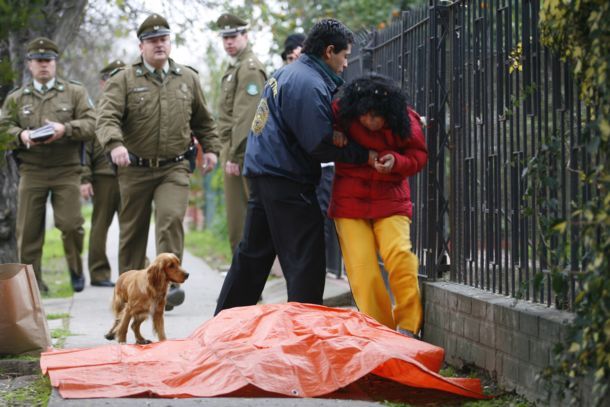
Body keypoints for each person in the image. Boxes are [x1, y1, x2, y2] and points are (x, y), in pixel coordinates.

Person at [214, 18, 377, 315]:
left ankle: (223, 323)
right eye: (344, 55)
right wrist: (363, 155)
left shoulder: (288, 73)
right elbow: (318, 142)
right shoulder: (309, 83)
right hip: (287, 178)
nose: (345, 63)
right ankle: (305, 331)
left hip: (265, 172)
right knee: (306, 258)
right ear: (329, 51)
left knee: (253, 256)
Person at [96, 14, 221, 309]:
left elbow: (204, 119)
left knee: (170, 219)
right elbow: (106, 117)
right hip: (135, 168)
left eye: (163, 39)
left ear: (170, 42)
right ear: (141, 46)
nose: (159, 45)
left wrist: (212, 148)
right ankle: (130, 291)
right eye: (153, 41)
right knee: (133, 233)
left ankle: (167, 286)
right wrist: (114, 144)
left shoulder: (187, 78)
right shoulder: (123, 79)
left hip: (174, 167)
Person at [329, 74, 428, 337]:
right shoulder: (342, 111)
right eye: (365, 116)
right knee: (363, 271)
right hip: (349, 202)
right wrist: (334, 130)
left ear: (389, 113)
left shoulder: (405, 121)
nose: (370, 122)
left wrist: (397, 161)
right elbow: (322, 125)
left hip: (391, 199)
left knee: (399, 256)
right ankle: (380, 332)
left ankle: (408, 326)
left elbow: (418, 155)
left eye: (377, 117)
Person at [0, 37, 96, 293]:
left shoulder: (75, 92)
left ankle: (76, 270)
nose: (44, 66)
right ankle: (33, 286)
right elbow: (3, 128)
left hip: (66, 169)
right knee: (28, 232)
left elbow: (92, 124)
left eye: (48, 61)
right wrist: (20, 135)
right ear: (30, 65)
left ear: (55, 64)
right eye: (38, 61)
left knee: (71, 225)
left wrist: (65, 129)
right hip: (32, 171)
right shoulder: (17, 98)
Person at [281, 31, 342, 276]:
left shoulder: (324, 78)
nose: (294, 59)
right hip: (295, 166)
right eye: (289, 56)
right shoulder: (289, 80)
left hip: (323, 164)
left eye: (297, 54)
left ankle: (324, 267)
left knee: (320, 216)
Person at [216, 13, 267, 253]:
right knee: (238, 219)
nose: (229, 42)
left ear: (245, 36)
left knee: (244, 218)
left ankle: (246, 282)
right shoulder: (235, 67)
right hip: (235, 149)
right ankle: (244, 281)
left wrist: (235, 156)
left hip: (243, 151)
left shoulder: (249, 68)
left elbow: (247, 117)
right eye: (225, 37)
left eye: (233, 36)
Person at [79, 59, 126, 288]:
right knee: (100, 224)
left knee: (133, 225)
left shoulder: (131, 104)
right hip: (103, 175)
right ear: (102, 83)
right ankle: (98, 273)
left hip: (131, 174)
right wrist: (85, 178)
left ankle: (134, 270)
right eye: (111, 79)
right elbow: (84, 149)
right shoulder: (95, 111)